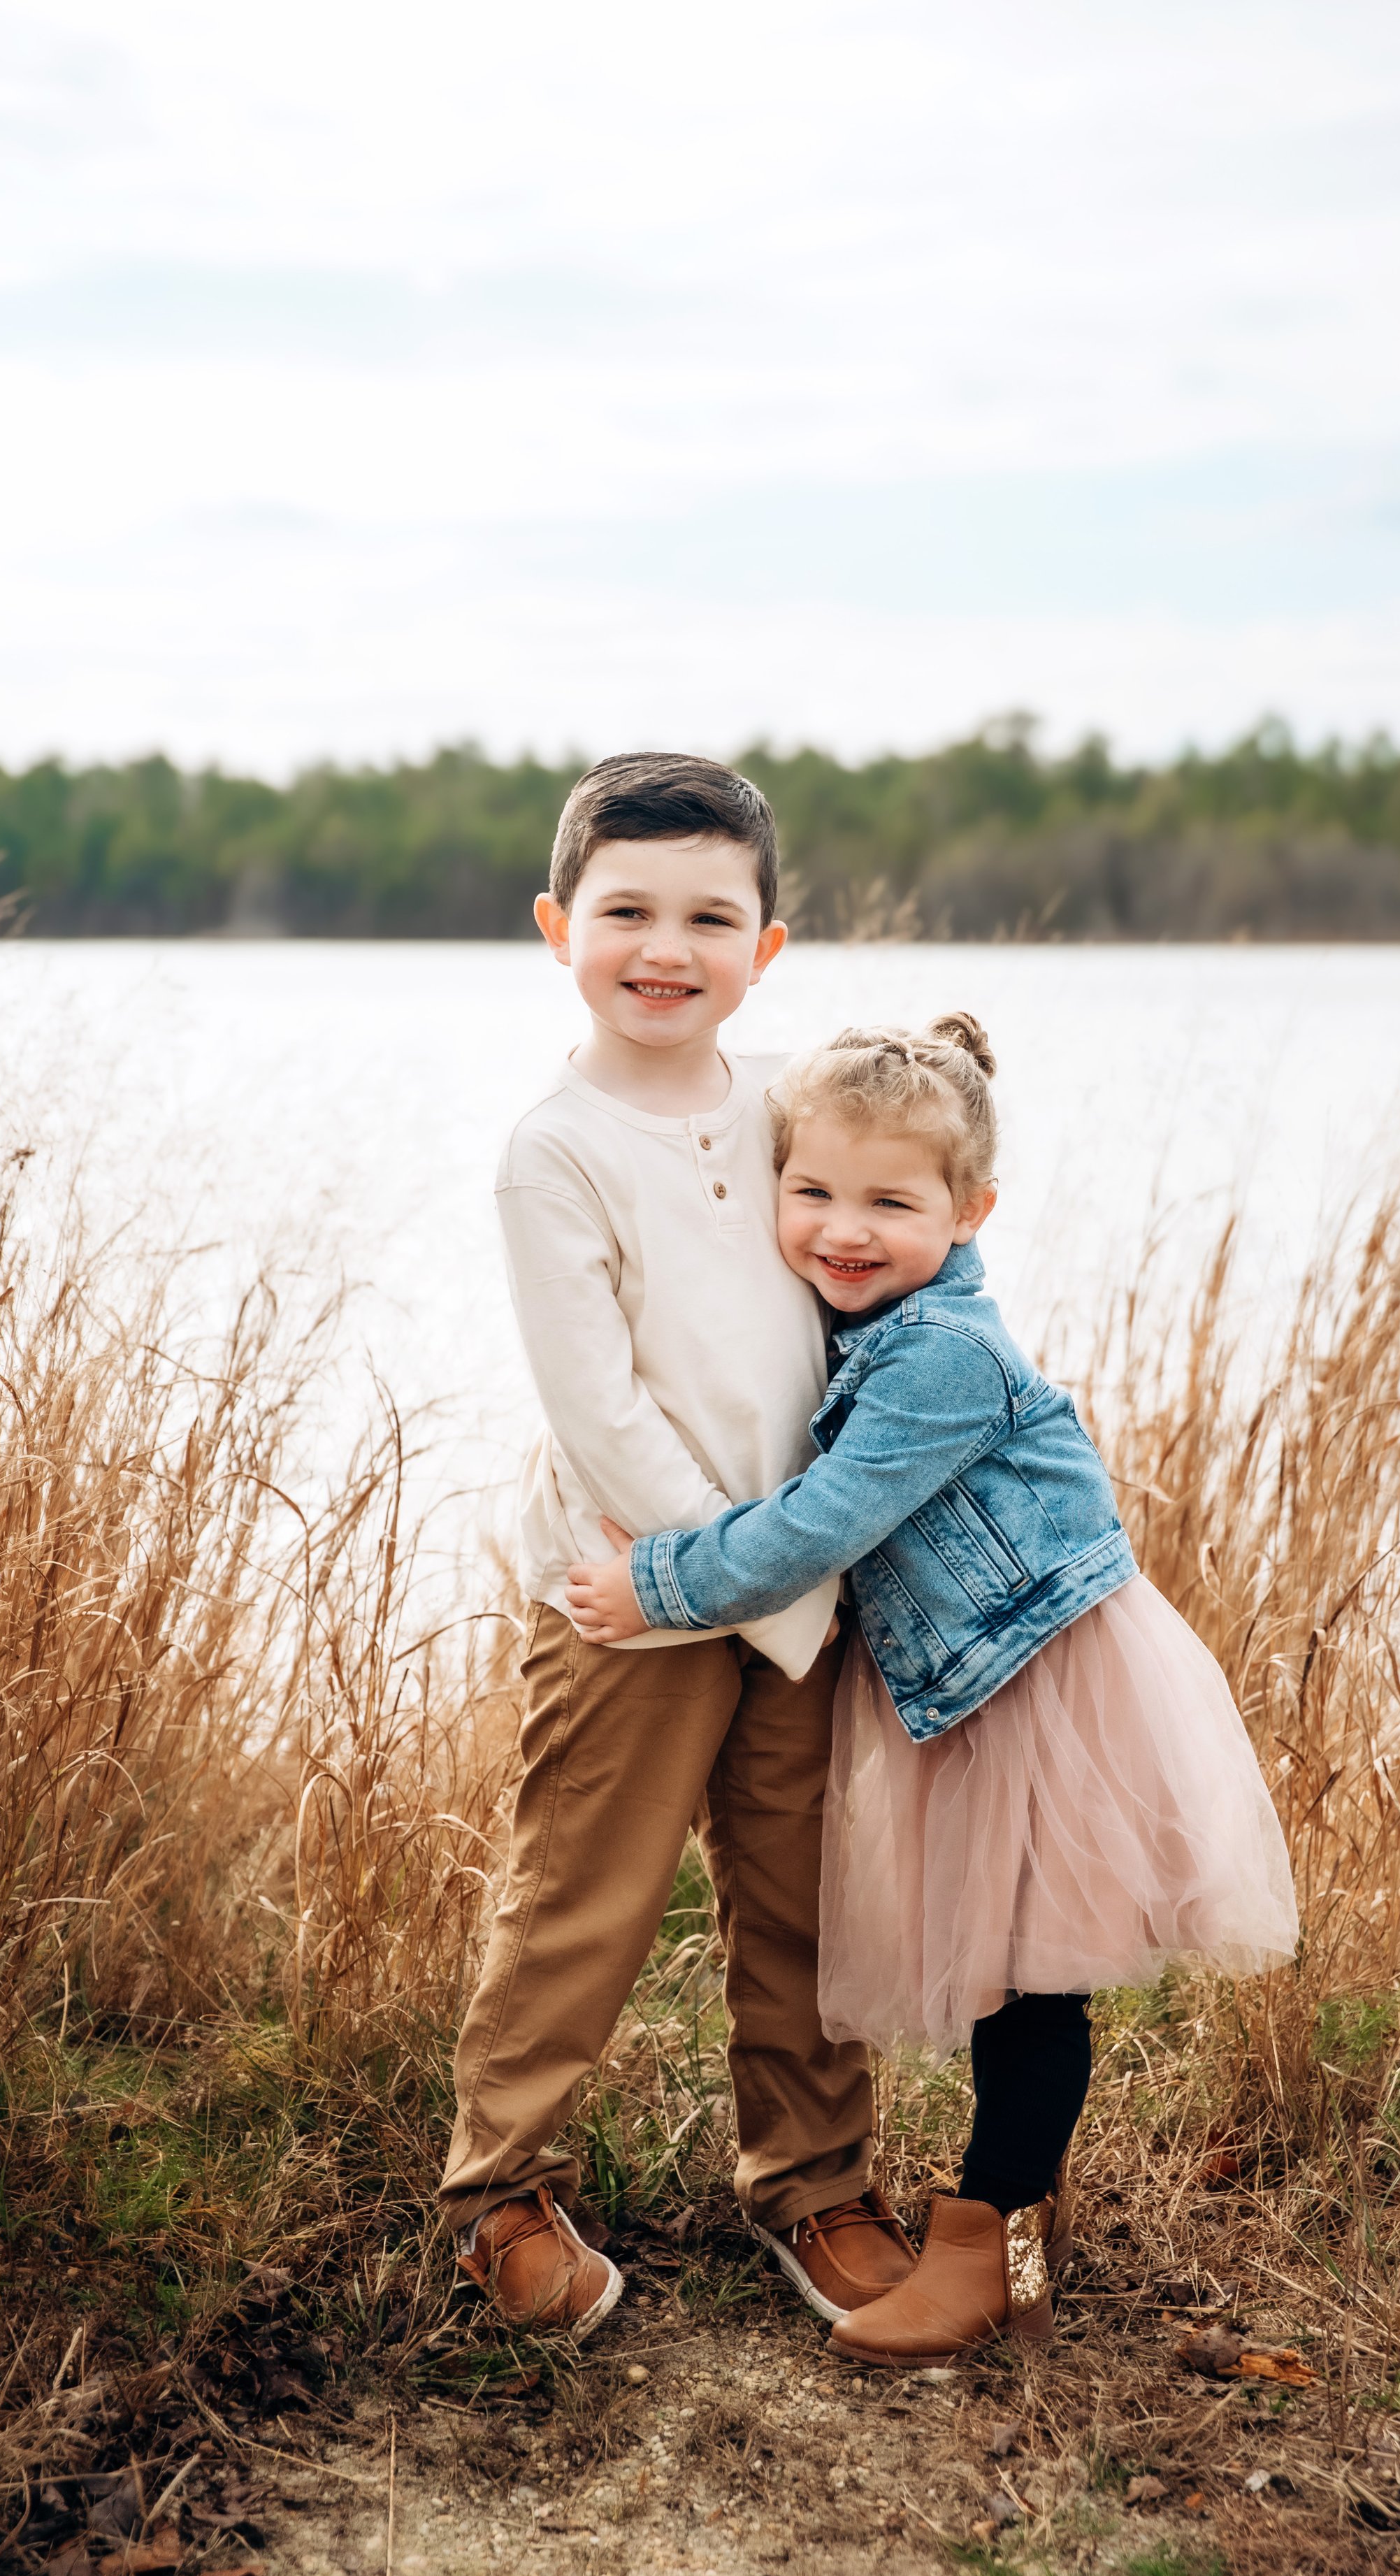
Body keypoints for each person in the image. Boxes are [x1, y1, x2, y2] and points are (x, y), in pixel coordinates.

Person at [565, 1013, 1299, 2367]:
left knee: (1030, 1986)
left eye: (889, 1203)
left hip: (1040, 1686)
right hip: (969, 1687)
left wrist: (655, 1584)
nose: (843, 1229)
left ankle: (981, 2253)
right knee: (1005, 1981)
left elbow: (816, 1523)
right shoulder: (864, 1318)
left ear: (970, 1212)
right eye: (813, 1192)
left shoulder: (944, 1356)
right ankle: (1017, 2239)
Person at [440, 754, 915, 2341]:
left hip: (804, 1586)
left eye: (710, 916)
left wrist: (819, 1558)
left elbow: (878, 1256)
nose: (666, 946)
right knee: (583, 1891)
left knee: (799, 1899)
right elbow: (603, 1418)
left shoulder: (787, 1102)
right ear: (555, 925)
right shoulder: (555, 1150)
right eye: (626, 909)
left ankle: (815, 2183)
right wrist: (739, 1576)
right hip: (629, 1591)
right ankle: (497, 2190)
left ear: (764, 946)